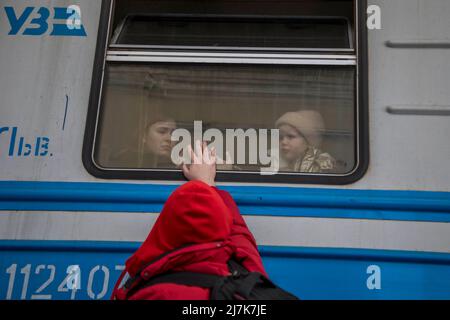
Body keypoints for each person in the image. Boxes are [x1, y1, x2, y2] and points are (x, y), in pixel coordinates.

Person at [112, 141, 297, 300]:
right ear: (222, 224)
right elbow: (241, 237)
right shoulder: (245, 278)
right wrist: (208, 185)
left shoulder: (149, 290)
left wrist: (202, 183)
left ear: (164, 225)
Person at [110, 114, 177, 168]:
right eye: (162, 131)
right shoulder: (120, 163)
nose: (169, 138)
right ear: (143, 135)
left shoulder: (177, 166)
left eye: (174, 133)